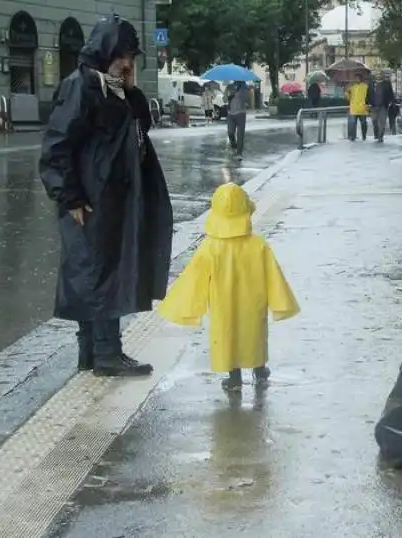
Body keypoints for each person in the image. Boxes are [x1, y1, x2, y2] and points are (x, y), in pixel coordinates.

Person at [40, 15, 174, 377]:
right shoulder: (82, 86)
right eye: (122, 54)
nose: (128, 62)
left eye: (132, 55)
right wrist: (70, 197)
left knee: (95, 272)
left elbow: (140, 125)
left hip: (107, 199)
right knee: (101, 274)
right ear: (105, 51)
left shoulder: (111, 87)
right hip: (91, 200)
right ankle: (106, 354)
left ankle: (92, 355)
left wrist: (130, 90)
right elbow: (56, 147)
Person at [157, 183, 300, 393]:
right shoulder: (258, 245)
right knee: (255, 335)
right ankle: (259, 370)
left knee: (227, 335)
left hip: (222, 305)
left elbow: (193, 279)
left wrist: (184, 306)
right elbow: (274, 277)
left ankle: (234, 379)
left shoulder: (210, 247)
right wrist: (281, 302)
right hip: (254, 304)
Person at [367, 73, 395, 143]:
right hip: (373, 106)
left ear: (383, 76)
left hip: (383, 106)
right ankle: (376, 134)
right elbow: (368, 94)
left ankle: (380, 137)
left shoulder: (387, 84)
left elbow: (391, 94)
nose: (379, 76)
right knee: (374, 121)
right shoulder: (371, 84)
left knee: (382, 122)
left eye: (380, 75)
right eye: (377, 75)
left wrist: (391, 102)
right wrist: (367, 103)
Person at [227, 81, 249, 156]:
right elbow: (224, 99)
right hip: (230, 114)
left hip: (241, 114)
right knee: (230, 132)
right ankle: (234, 146)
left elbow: (246, 100)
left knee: (240, 135)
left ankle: (239, 153)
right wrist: (228, 93)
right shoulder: (229, 86)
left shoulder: (244, 88)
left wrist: (237, 94)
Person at [346, 74, 369, 141]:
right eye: (355, 78)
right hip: (353, 109)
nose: (357, 79)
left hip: (363, 109)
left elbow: (369, 96)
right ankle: (353, 137)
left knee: (364, 123)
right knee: (353, 123)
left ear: (361, 79)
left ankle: (364, 135)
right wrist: (347, 92)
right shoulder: (352, 87)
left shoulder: (365, 86)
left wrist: (368, 105)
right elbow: (348, 98)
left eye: (358, 78)